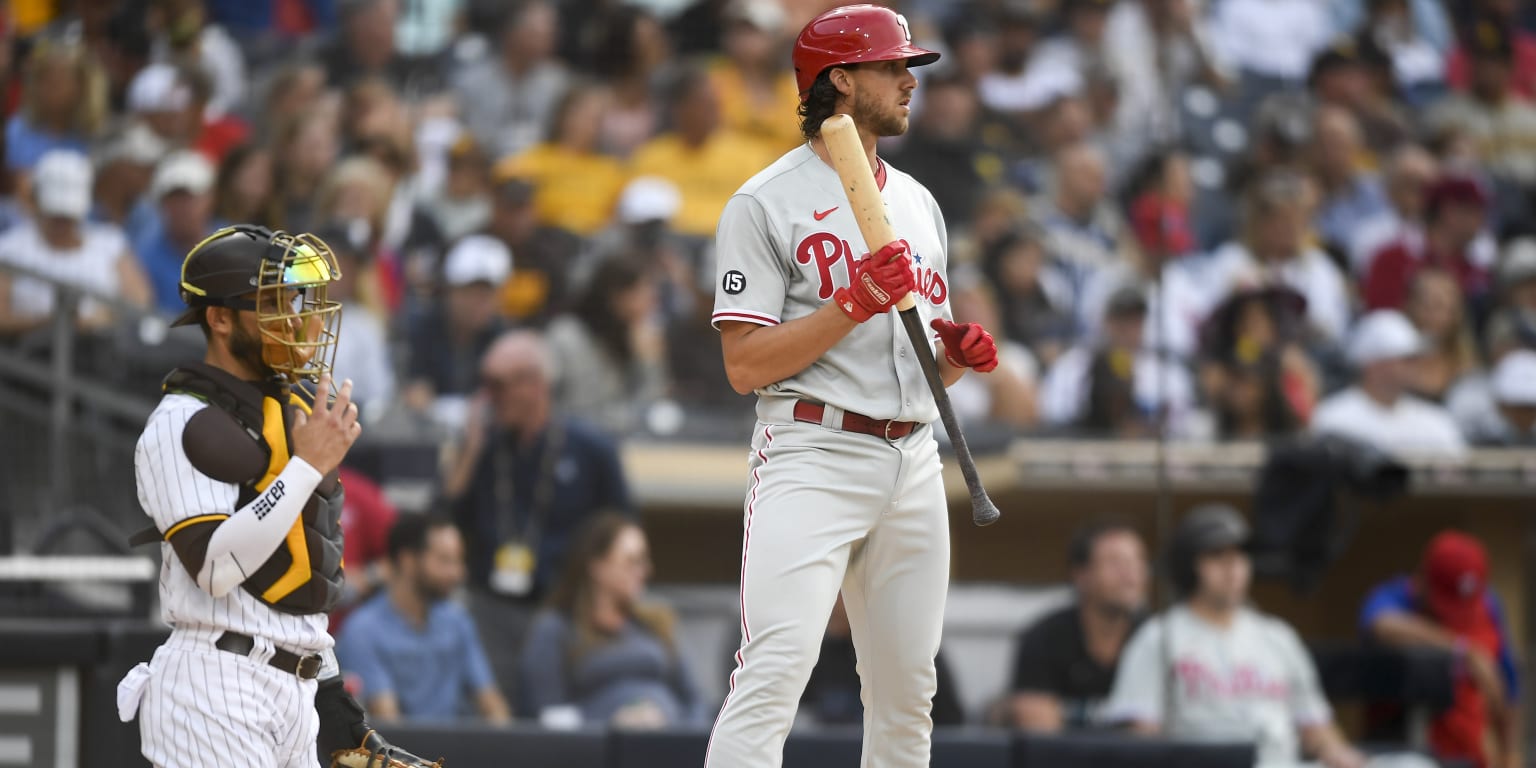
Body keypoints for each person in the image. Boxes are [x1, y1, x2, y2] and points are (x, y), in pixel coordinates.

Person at [704, 7, 1000, 766]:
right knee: (773, 673)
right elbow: (745, 365)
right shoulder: (764, 201)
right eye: (892, 67)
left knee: (908, 696)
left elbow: (914, 364)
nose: (909, 81)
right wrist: (851, 302)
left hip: (912, 456)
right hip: (813, 450)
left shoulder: (918, 202)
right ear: (840, 79)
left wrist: (958, 360)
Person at [113, 225, 431, 766]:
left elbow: (303, 582)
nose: (296, 318)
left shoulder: (287, 412)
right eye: (273, 303)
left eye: (296, 300)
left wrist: (336, 709)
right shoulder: (179, 422)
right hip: (213, 686)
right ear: (219, 318)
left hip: (295, 692)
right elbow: (215, 568)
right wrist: (306, 466)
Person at [442, 329, 633, 701]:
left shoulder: (591, 449)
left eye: (497, 385)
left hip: (564, 610)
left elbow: (622, 529)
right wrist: (469, 449)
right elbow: (443, 518)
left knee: (554, 717)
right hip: (490, 608)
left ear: (534, 384)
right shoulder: (483, 445)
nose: (487, 398)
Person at [1103, 505, 1371, 768]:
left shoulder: (1278, 636)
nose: (1232, 566)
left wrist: (1336, 751)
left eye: (1240, 554)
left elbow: (1315, 726)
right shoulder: (1159, 637)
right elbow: (1141, 736)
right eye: (1217, 555)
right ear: (1189, 565)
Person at [518, 514, 701, 726]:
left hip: (672, 747)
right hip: (597, 752)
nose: (645, 571)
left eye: (644, 561)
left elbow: (695, 701)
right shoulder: (555, 629)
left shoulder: (656, 624)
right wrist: (611, 723)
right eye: (632, 561)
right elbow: (549, 716)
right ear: (597, 567)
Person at [1360, 531, 1523, 768]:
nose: (1455, 614)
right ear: (1423, 579)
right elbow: (1380, 624)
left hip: (1470, 754)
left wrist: (1510, 755)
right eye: (1448, 602)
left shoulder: (1489, 605)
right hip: (1400, 749)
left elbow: (1508, 687)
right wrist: (1463, 651)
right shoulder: (1397, 596)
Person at [336, 514, 512, 724]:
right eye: (445, 561)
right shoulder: (362, 630)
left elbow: (491, 702)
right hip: (400, 754)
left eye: (459, 561)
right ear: (407, 561)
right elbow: (388, 722)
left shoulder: (458, 622)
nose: (459, 572)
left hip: (458, 749)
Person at [1009, 521, 1148, 731]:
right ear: (1081, 575)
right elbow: (1037, 728)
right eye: (1115, 563)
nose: (1130, 574)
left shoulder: (1157, 637)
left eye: (1137, 561)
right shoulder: (1045, 638)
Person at [0, 149, 150, 337]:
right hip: (28, 354)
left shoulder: (110, 242)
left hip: (101, 350)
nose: (61, 223)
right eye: (55, 215)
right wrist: (49, 323)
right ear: (38, 202)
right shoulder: (10, 248)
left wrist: (97, 321)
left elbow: (140, 300)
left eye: (67, 217)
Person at [1311, 309, 1468, 460]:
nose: (1417, 365)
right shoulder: (1331, 418)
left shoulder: (1437, 422)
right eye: (1406, 359)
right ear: (1375, 364)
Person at [545, 255, 669, 437]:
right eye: (643, 291)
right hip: (570, 441)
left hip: (620, 441)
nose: (651, 302)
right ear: (616, 296)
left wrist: (649, 362)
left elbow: (650, 411)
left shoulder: (635, 338)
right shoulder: (566, 337)